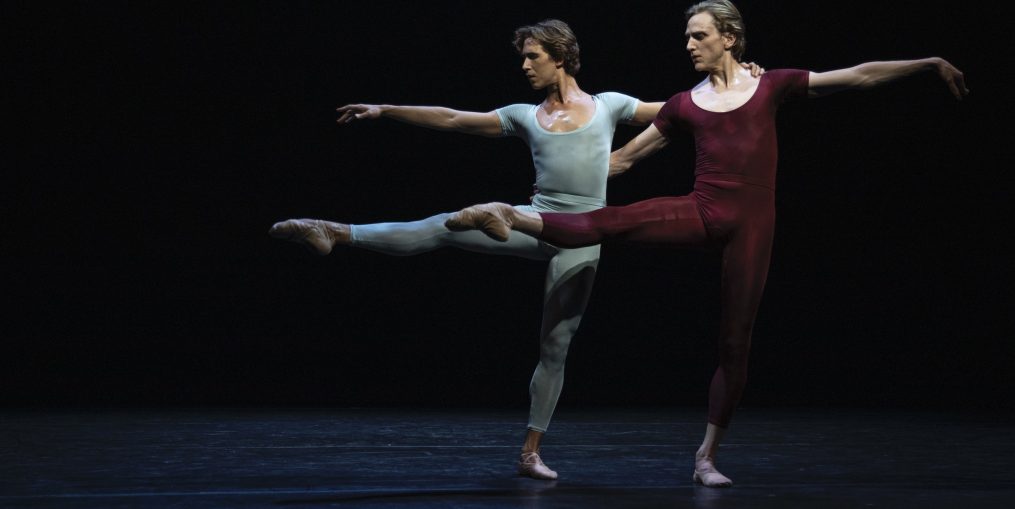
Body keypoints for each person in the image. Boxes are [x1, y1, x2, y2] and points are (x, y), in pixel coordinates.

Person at [446, 0, 968, 487]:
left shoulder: (772, 85)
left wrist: (926, 63)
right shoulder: (683, 105)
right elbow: (622, 160)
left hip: (752, 226)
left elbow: (857, 76)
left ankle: (706, 458)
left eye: (699, 36)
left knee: (735, 341)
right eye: (688, 37)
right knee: (611, 220)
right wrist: (558, 155)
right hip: (701, 210)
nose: (690, 45)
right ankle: (511, 214)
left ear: (730, 38)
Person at [269, 19, 762, 480]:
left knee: (555, 346)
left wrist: (744, 76)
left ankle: (530, 451)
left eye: (533, 57)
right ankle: (335, 231)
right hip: (533, 222)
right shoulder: (524, 116)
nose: (525, 66)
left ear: (561, 57)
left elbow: (692, 109)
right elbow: (452, 120)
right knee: (441, 226)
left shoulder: (610, 105)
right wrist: (385, 110)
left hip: (584, 235)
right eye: (523, 58)